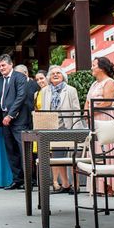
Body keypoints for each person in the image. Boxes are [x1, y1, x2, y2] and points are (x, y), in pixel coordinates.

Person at [84, 56, 114, 197]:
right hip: (94, 119)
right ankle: (98, 186)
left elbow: (107, 102)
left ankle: (111, 185)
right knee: (96, 151)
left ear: (101, 67)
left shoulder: (109, 82)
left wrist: (92, 111)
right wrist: (86, 112)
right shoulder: (94, 84)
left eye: (94, 65)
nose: (92, 68)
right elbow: (87, 101)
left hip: (106, 118)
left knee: (108, 150)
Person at [0, 54, 30, 190]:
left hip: (18, 120)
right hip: (3, 120)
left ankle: (28, 180)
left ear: (10, 64)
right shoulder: (0, 80)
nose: (1, 68)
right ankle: (17, 179)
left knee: (23, 150)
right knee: (11, 150)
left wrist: (11, 115)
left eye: (3, 65)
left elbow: (21, 97)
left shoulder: (20, 77)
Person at [40, 65, 82, 193]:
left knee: (73, 157)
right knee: (58, 156)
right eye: (53, 74)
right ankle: (65, 184)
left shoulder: (70, 90)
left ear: (63, 76)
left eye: (58, 73)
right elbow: (43, 111)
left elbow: (76, 110)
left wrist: (76, 127)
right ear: (49, 78)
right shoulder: (45, 91)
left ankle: (76, 184)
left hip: (68, 126)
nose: (56, 75)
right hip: (52, 127)